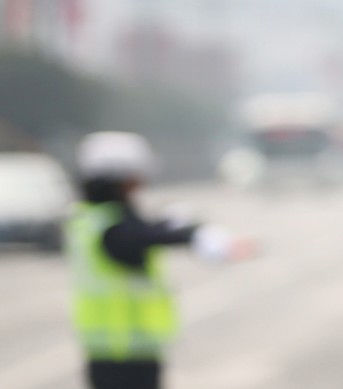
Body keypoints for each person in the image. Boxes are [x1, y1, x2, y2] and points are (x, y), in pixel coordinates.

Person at [66, 131, 253, 389]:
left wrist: (180, 225)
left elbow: (145, 230)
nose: (140, 182)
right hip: (120, 354)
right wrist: (192, 234)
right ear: (119, 178)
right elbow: (140, 237)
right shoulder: (110, 227)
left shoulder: (97, 217)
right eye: (135, 175)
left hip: (124, 350)